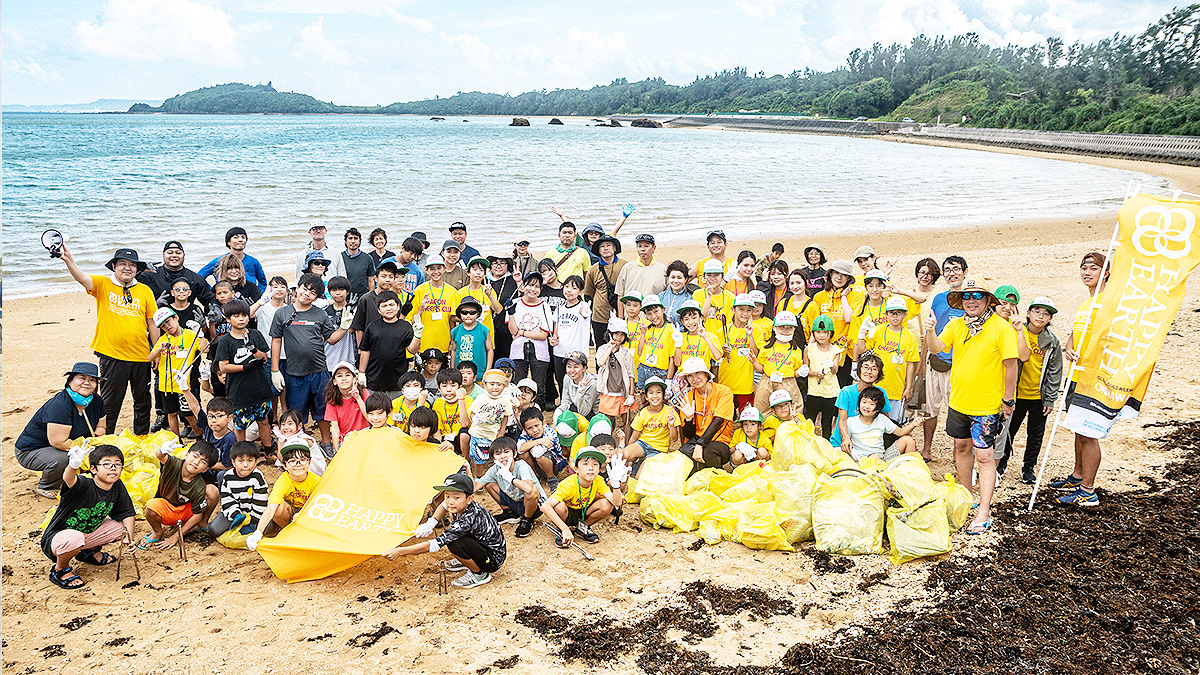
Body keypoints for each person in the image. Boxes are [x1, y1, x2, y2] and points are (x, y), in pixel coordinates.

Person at [924, 277, 1018, 535]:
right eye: (967, 296)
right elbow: (937, 348)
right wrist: (930, 330)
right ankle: (966, 499)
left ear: (988, 300)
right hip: (959, 401)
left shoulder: (1001, 328)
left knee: (985, 456)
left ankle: (983, 511)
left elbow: (1012, 366)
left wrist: (1008, 400)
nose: (971, 301)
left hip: (986, 405)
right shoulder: (956, 324)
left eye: (977, 296)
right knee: (961, 447)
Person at [59, 244, 159, 435]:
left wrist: (155, 352)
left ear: (137, 269)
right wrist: (68, 259)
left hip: (141, 357)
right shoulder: (103, 285)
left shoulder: (145, 290)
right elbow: (82, 278)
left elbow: (151, 323)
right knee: (110, 403)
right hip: (113, 355)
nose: (127, 268)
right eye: (122, 263)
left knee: (143, 402)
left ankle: (142, 437)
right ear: (114, 266)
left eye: (132, 264)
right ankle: (106, 438)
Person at [1054, 252, 1112, 506]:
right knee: (1078, 427)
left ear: (1106, 273)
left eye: (1094, 268)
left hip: (1093, 377)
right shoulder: (1085, 303)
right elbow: (1075, 334)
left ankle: (1088, 492)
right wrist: (1069, 347)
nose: (1087, 272)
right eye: (1083, 268)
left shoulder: (1109, 302)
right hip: (1076, 374)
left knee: (1089, 432)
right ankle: (1078, 476)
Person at [269, 273, 352, 449]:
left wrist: (344, 327)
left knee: (323, 410)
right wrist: (274, 370)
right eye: (305, 289)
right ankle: (299, 442)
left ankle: (326, 442)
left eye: (313, 292)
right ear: (297, 288)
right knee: (296, 412)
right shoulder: (282, 314)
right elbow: (276, 341)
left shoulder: (320, 315)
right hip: (294, 372)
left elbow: (331, 339)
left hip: (319, 371)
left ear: (316, 297)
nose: (307, 294)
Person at [384, 473, 506, 589]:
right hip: (482, 545)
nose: (450, 501)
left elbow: (434, 545)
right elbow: (444, 505)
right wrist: (432, 522)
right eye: (447, 495)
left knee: (454, 544)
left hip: (493, 559)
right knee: (456, 538)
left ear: (469, 498)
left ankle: (479, 574)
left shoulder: (468, 519)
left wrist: (400, 551)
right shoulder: (462, 504)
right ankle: (468, 560)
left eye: (456, 497)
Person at [42, 443, 137, 590]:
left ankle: (89, 552)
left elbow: (127, 512)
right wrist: (73, 465)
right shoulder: (83, 484)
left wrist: (129, 537)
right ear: (93, 469)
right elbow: (69, 479)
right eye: (106, 464)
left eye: (117, 464)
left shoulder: (117, 486)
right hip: (59, 537)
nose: (113, 468)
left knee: (121, 528)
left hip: (86, 535)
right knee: (75, 538)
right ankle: (60, 569)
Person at [16, 362, 107, 498]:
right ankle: (47, 485)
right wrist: (87, 452)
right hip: (32, 450)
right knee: (65, 458)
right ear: (70, 381)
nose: (87, 383)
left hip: (68, 444)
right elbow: (58, 442)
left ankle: (68, 475)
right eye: (82, 378)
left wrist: (97, 441)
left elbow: (101, 427)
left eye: (92, 380)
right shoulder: (60, 405)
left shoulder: (96, 401)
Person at [999, 296, 1063, 484]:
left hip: (1038, 396)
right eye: (1037, 312)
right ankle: (1002, 463)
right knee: (1009, 430)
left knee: (1036, 434)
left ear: (1050, 319)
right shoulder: (1017, 330)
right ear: (1028, 313)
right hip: (1017, 394)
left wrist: (1050, 398)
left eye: (1046, 314)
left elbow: (1055, 371)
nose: (1041, 317)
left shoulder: (1052, 341)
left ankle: (1028, 468)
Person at [921, 255, 968, 460]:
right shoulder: (939, 298)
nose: (951, 273)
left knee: (956, 410)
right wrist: (924, 361)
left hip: (959, 363)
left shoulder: (971, 298)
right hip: (935, 359)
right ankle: (927, 448)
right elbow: (930, 330)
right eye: (947, 270)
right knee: (930, 408)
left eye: (956, 269)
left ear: (965, 272)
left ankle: (957, 453)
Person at [140, 439, 220, 551]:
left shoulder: (199, 484)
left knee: (212, 490)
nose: (196, 462)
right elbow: (161, 456)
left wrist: (176, 536)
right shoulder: (174, 464)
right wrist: (163, 450)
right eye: (195, 456)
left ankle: (201, 525)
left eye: (203, 462)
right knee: (151, 506)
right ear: (186, 455)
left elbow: (197, 514)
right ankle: (157, 532)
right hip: (166, 508)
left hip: (185, 513)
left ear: (206, 469)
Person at [855, 296, 920, 423]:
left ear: (905, 314)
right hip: (876, 386)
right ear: (887, 314)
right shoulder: (879, 330)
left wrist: (908, 388)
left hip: (897, 388)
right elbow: (862, 349)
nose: (895, 316)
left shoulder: (910, 336)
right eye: (892, 313)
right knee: (872, 420)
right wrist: (861, 334)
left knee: (893, 423)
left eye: (899, 313)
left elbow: (911, 364)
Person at [801, 260, 864, 389]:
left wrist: (844, 297)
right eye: (836, 273)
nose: (839, 278)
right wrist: (809, 347)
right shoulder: (819, 297)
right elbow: (816, 326)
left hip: (844, 351)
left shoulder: (856, 296)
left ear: (849, 278)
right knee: (821, 385)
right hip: (822, 348)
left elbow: (848, 318)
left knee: (841, 387)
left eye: (843, 275)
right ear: (830, 275)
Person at [542, 447, 623, 546]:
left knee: (606, 504)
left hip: (584, 511)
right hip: (568, 513)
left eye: (595, 464)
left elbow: (617, 503)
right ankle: (560, 529)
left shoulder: (598, 480)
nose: (591, 468)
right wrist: (565, 528)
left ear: (599, 469)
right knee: (559, 506)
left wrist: (615, 485)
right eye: (585, 464)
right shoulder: (569, 484)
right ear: (576, 468)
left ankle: (582, 528)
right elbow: (545, 506)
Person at [246, 444, 321, 549]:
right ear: (285, 465)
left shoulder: (316, 481)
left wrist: (301, 515)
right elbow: (271, 507)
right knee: (278, 507)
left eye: (302, 460)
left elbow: (320, 505)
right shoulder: (284, 481)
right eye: (292, 461)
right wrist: (258, 532)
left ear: (309, 462)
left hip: (308, 512)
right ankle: (288, 532)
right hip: (289, 512)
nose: (298, 465)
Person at [148, 306, 208, 437]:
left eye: (168, 322)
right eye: (163, 326)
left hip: (184, 385)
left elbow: (205, 349)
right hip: (166, 385)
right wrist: (158, 350)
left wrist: (201, 334)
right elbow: (150, 357)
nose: (167, 327)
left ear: (176, 318)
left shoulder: (190, 334)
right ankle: (176, 440)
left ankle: (200, 437)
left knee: (189, 414)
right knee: (171, 413)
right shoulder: (163, 339)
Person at [830, 386, 923, 462]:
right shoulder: (851, 421)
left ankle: (911, 472)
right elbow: (847, 443)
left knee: (909, 440)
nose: (866, 406)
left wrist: (913, 424)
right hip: (861, 460)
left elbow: (900, 432)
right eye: (864, 402)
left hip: (882, 458)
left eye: (871, 404)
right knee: (873, 458)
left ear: (877, 409)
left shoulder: (882, 419)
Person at [676, 357, 735, 471]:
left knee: (709, 452)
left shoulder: (723, 392)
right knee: (680, 459)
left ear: (706, 374)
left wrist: (700, 444)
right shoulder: (688, 397)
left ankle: (718, 481)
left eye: (698, 373)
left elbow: (718, 421)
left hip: (719, 440)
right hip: (696, 440)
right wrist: (688, 419)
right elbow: (689, 434)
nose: (695, 379)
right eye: (690, 375)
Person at [358, 290, 419, 398]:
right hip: (375, 379)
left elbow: (412, 350)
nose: (388, 308)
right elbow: (365, 350)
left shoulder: (405, 326)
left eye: (391, 304)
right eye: (384, 306)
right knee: (376, 411)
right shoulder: (372, 327)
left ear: (398, 306)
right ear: (379, 310)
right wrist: (362, 373)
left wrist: (417, 336)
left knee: (395, 413)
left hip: (398, 381)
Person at [479, 436, 544, 537]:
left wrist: (510, 478)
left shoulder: (521, 465)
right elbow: (475, 486)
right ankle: (510, 513)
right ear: (493, 457)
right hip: (516, 502)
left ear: (514, 453)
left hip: (535, 505)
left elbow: (528, 488)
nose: (502, 456)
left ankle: (527, 519)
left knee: (531, 491)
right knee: (489, 484)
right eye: (497, 453)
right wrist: (466, 467)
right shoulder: (494, 469)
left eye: (506, 452)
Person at [508, 271, 553, 408]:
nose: (533, 289)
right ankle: (517, 410)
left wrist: (522, 332)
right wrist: (510, 313)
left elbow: (543, 335)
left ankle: (537, 410)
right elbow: (513, 331)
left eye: (537, 286)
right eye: (529, 285)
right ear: (523, 286)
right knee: (517, 383)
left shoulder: (544, 306)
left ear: (540, 290)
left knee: (539, 384)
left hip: (539, 350)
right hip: (518, 350)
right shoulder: (515, 303)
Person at [460, 369, 515, 478]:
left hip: (494, 434)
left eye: (499, 384)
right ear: (485, 385)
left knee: (496, 457)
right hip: (478, 433)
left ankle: (497, 476)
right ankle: (479, 476)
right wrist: (474, 418)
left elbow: (505, 417)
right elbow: (472, 413)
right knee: (478, 458)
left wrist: (501, 433)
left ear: (504, 386)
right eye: (492, 384)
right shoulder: (481, 398)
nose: (495, 387)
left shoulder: (505, 400)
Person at [209, 441, 269, 537]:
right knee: (214, 529)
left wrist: (252, 521)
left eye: (250, 461)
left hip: (253, 513)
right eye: (240, 461)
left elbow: (261, 501)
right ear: (233, 462)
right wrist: (235, 514)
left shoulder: (257, 477)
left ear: (256, 462)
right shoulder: (228, 476)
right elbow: (227, 499)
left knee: (266, 530)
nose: (245, 465)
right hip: (235, 513)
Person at [620, 376, 678, 474]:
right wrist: (627, 457)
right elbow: (634, 437)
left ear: (663, 395)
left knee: (642, 473)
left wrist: (671, 425)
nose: (655, 396)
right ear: (646, 397)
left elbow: (674, 439)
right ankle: (634, 463)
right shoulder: (643, 412)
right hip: (643, 444)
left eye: (658, 392)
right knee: (622, 454)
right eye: (651, 393)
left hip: (659, 450)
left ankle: (640, 466)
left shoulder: (670, 412)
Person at [138, 240, 215, 308]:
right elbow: (128, 285)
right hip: (156, 317)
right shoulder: (150, 275)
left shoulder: (195, 279)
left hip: (185, 319)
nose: (174, 255)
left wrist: (214, 309)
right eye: (170, 252)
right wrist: (139, 268)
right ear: (163, 255)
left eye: (178, 253)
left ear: (184, 255)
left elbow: (209, 300)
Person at [753, 311, 805, 411]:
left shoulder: (796, 350)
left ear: (794, 329)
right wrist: (754, 361)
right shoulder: (766, 347)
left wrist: (800, 372)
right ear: (774, 328)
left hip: (787, 382)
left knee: (791, 409)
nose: (786, 331)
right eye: (782, 327)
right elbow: (761, 369)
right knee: (761, 408)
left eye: (790, 328)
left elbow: (795, 372)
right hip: (767, 382)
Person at [584, 234, 628, 347]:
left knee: (621, 347)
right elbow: (589, 293)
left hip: (621, 314)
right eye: (602, 246)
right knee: (601, 347)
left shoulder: (625, 266)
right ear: (598, 250)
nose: (606, 248)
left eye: (609, 245)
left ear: (614, 248)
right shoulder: (593, 270)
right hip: (600, 316)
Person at [719, 293, 759, 411]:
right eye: (741, 309)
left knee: (745, 415)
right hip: (726, 380)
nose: (745, 313)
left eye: (748, 310)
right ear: (733, 309)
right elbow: (719, 356)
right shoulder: (723, 330)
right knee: (726, 415)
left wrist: (750, 336)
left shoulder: (756, 329)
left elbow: (755, 355)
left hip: (745, 382)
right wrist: (725, 352)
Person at [596, 317, 637, 434]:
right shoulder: (602, 349)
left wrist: (631, 394)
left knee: (627, 421)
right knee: (607, 421)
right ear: (610, 334)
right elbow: (600, 362)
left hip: (623, 392)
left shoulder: (626, 352)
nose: (619, 337)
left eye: (622, 334)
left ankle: (627, 444)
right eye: (616, 334)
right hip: (609, 391)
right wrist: (610, 347)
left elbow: (631, 374)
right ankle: (607, 443)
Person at [804, 316, 843, 439]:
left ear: (830, 333)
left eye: (825, 332)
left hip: (830, 391)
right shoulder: (809, 349)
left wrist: (831, 366)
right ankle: (807, 445)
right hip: (814, 390)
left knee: (827, 422)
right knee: (809, 421)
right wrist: (816, 373)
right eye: (818, 332)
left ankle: (826, 445)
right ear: (813, 333)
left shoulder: (836, 350)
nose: (821, 335)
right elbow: (805, 369)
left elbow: (835, 370)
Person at [452, 257, 502, 350]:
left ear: (484, 274)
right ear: (468, 272)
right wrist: (469, 318)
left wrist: (490, 296)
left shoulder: (488, 291)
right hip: (466, 336)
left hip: (486, 336)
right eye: (475, 269)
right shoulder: (460, 293)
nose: (478, 272)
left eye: (481, 270)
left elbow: (498, 311)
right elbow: (454, 317)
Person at [410, 254, 455, 354]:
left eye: (439, 268)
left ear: (444, 269)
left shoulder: (452, 291)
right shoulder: (419, 290)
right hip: (423, 344)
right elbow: (412, 321)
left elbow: (453, 321)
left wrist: (452, 343)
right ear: (427, 270)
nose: (436, 272)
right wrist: (421, 309)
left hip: (444, 343)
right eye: (432, 269)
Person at [198, 227, 266, 293]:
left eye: (243, 237)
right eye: (236, 237)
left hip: (249, 300)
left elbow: (263, 282)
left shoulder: (253, 262)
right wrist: (212, 292)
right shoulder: (219, 261)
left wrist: (257, 294)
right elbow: (199, 277)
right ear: (228, 242)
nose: (240, 240)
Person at [551, 275, 590, 389]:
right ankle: (564, 405)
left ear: (580, 291)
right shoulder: (559, 308)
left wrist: (584, 312)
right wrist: (554, 339)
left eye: (574, 288)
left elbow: (586, 315)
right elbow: (555, 330)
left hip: (576, 353)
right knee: (561, 381)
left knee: (577, 383)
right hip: (559, 352)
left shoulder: (584, 306)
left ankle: (577, 406)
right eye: (566, 286)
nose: (569, 290)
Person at [325, 362, 369, 454]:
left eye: (348, 375)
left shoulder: (364, 393)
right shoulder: (332, 400)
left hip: (365, 437)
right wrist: (336, 451)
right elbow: (334, 427)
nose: (344, 378)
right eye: (339, 376)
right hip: (345, 440)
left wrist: (358, 398)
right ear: (334, 381)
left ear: (354, 379)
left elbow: (369, 417)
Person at [517, 407, 567, 487]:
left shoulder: (550, 432)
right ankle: (536, 475)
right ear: (525, 430)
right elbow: (520, 449)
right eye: (530, 428)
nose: (535, 430)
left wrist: (530, 447)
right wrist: (539, 441)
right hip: (538, 465)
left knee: (540, 456)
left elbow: (537, 453)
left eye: (537, 425)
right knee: (523, 454)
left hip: (555, 465)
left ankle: (552, 478)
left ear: (543, 423)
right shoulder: (525, 434)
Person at [635, 294, 676, 386]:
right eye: (649, 313)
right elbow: (639, 352)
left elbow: (672, 358)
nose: (653, 316)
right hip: (643, 368)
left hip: (660, 372)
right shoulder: (647, 328)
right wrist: (642, 333)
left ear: (663, 310)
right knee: (643, 398)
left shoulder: (670, 330)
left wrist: (669, 379)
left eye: (656, 311)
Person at [694, 259, 735, 346]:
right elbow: (700, 318)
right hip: (703, 342)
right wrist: (709, 296)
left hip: (723, 343)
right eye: (709, 275)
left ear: (722, 276)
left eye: (716, 275)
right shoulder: (698, 294)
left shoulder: (730, 297)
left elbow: (730, 324)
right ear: (704, 277)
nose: (712, 278)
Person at [614, 233, 667, 300]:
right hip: (630, 310)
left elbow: (667, 296)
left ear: (654, 248)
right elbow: (620, 295)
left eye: (646, 246)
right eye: (639, 246)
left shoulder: (662, 269)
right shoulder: (627, 268)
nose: (642, 249)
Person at [449, 297, 492, 371]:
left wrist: (488, 370)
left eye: (472, 312)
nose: (468, 315)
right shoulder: (455, 331)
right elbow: (453, 350)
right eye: (464, 312)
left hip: (479, 373)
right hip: (459, 373)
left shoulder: (484, 330)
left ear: (478, 314)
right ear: (460, 314)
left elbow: (490, 350)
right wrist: (453, 369)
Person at [337, 227, 377, 302]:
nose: (353, 241)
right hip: (343, 298)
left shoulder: (367, 258)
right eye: (350, 238)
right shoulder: (339, 257)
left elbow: (371, 280)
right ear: (346, 241)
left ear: (359, 241)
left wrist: (372, 298)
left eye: (356, 238)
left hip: (362, 298)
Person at [556, 351, 598, 420]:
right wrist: (559, 411)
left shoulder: (592, 383)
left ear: (584, 368)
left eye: (576, 367)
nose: (571, 370)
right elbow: (566, 401)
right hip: (577, 408)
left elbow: (584, 412)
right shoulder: (567, 378)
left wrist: (581, 390)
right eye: (569, 366)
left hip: (592, 415)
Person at [660, 259, 694, 329]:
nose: (675, 281)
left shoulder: (690, 299)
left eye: (679, 278)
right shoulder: (661, 296)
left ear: (686, 279)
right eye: (672, 277)